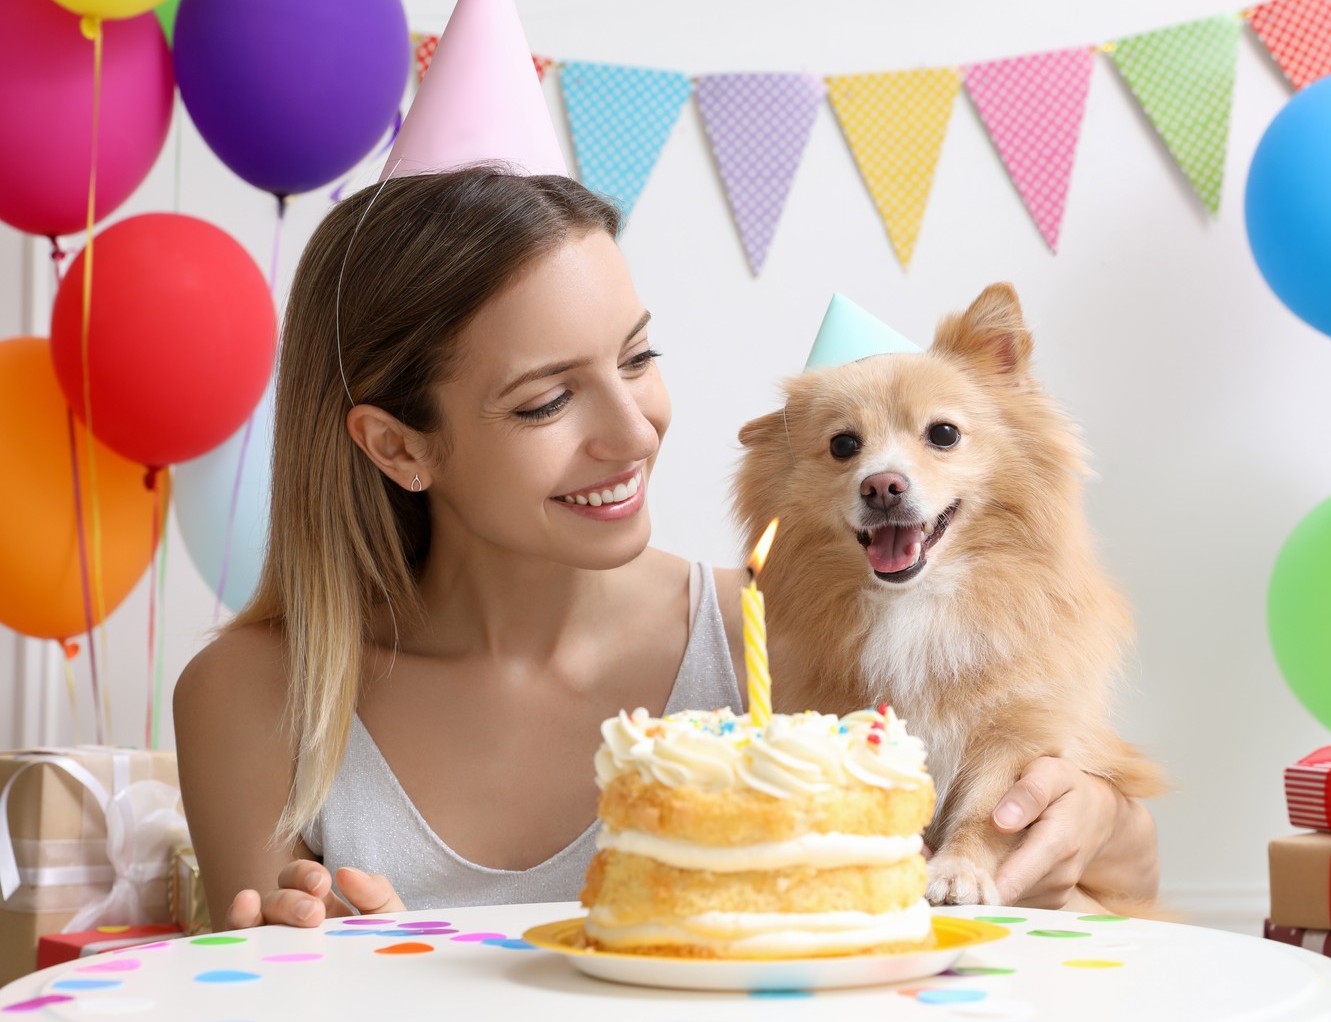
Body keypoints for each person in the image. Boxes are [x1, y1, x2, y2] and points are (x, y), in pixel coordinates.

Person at [173, 167, 1160, 931]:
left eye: (637, 358)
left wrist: (1098, 824)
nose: (635, 431)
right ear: (397, 444)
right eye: (546, 399)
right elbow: (267, 1000)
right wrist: (356, 981)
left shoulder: (791, 638)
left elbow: (1096, 875)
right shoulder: (255, 694)